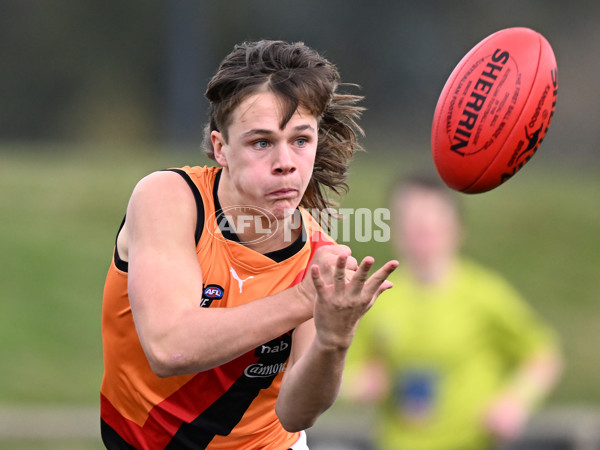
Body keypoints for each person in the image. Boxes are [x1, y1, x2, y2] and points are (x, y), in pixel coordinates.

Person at [100, 40, 398, 449]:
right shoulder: (170, 198)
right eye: (262, 142)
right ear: (221, 148)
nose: (286, 162)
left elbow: (296, 414)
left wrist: (334, 340)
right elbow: (169, 348)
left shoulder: (320, 258)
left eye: (300, 140)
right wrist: (302, 300)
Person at [343, 174, 562, 450]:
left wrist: (515, 401)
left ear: (457, 229)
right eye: (410, 223)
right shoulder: (379, 295)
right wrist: (360, 385)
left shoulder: (484, 294)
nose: (421, 232)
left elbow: (543, 355)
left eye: (431, 224)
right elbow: (345, 370)